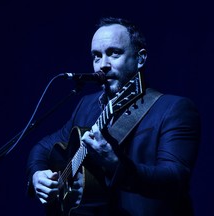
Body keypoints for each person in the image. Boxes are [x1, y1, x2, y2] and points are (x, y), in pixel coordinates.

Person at [26, 17, 201, 216]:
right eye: (96, 56)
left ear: (140, 58)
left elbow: (174, 179)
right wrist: (38, 174)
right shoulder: (87, 105)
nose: (103, 65)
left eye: (114, 53)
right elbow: (42, 148)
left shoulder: (174, 109)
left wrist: (115, 164)